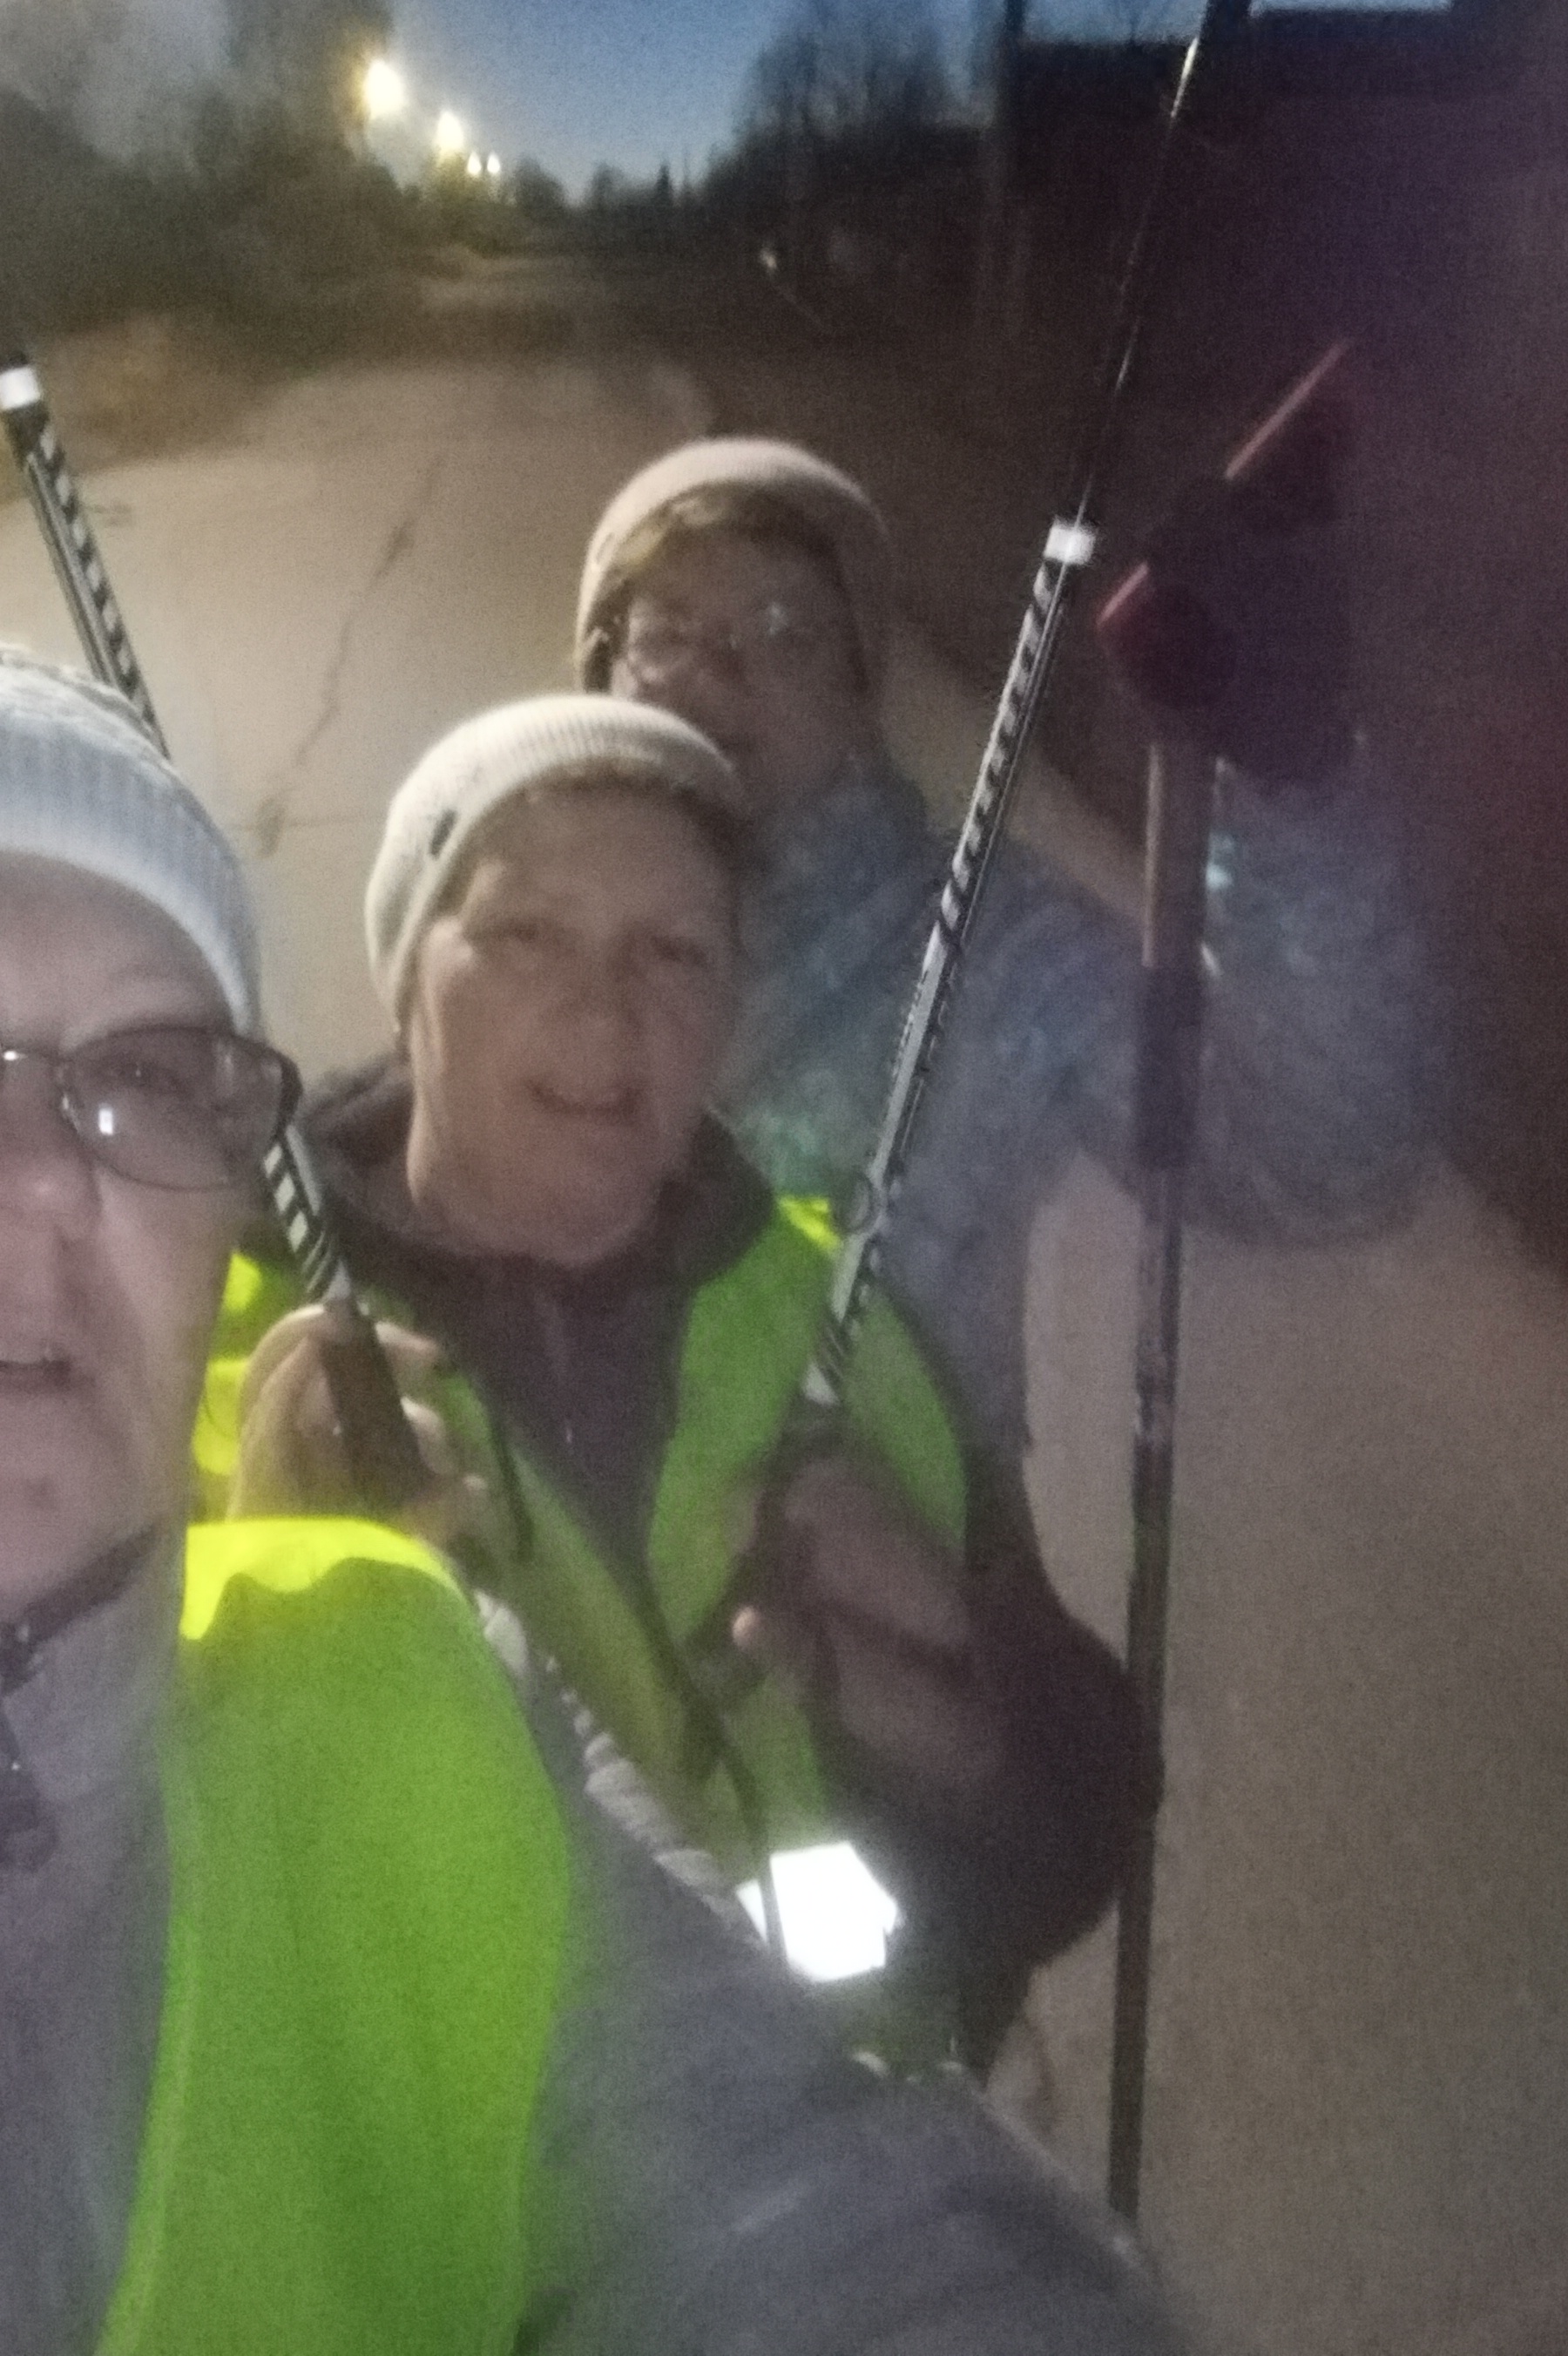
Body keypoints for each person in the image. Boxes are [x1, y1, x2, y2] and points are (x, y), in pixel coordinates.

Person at [0, 629, 1179, 2356]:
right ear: (406, 975)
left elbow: (833, 2179)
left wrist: (950, 1704)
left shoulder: (818, 1358)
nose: (45, 1179)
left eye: (141, 1076)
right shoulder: (232, 1401)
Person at [201, 694, 1139, 2075]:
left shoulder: (840, 1324)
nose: (605, 1006)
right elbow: (81, 1973)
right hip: (466, 2188)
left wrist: (963, 1710)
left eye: (675, 952)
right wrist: (263, 1621)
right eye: (527, 934)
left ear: (726, 1017)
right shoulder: (197, 1364)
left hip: (847, 2126)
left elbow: (1066, 1857)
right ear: (407, 981)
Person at [574, 435, 1429, 1470]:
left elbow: (1319, 1157)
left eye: (784, 630)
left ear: (859, 697)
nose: (718, 671)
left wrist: (1298, 784)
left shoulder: (993, 943)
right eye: (666, 631)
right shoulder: (497, 932)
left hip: (895, 1554)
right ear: (599, 678)